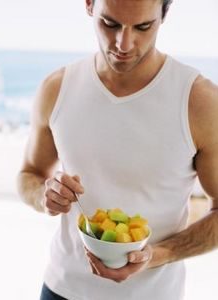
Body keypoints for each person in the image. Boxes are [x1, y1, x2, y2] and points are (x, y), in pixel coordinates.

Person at [17, 0, 218, 299]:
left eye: (143, 27)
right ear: (88, 5)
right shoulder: (56, 88)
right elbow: (29, 174)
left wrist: (157, 255)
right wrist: (43, 195)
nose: (124, 43)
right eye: (109, 24)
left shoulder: (199, 101)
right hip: (61, 289)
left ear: (163, 16)